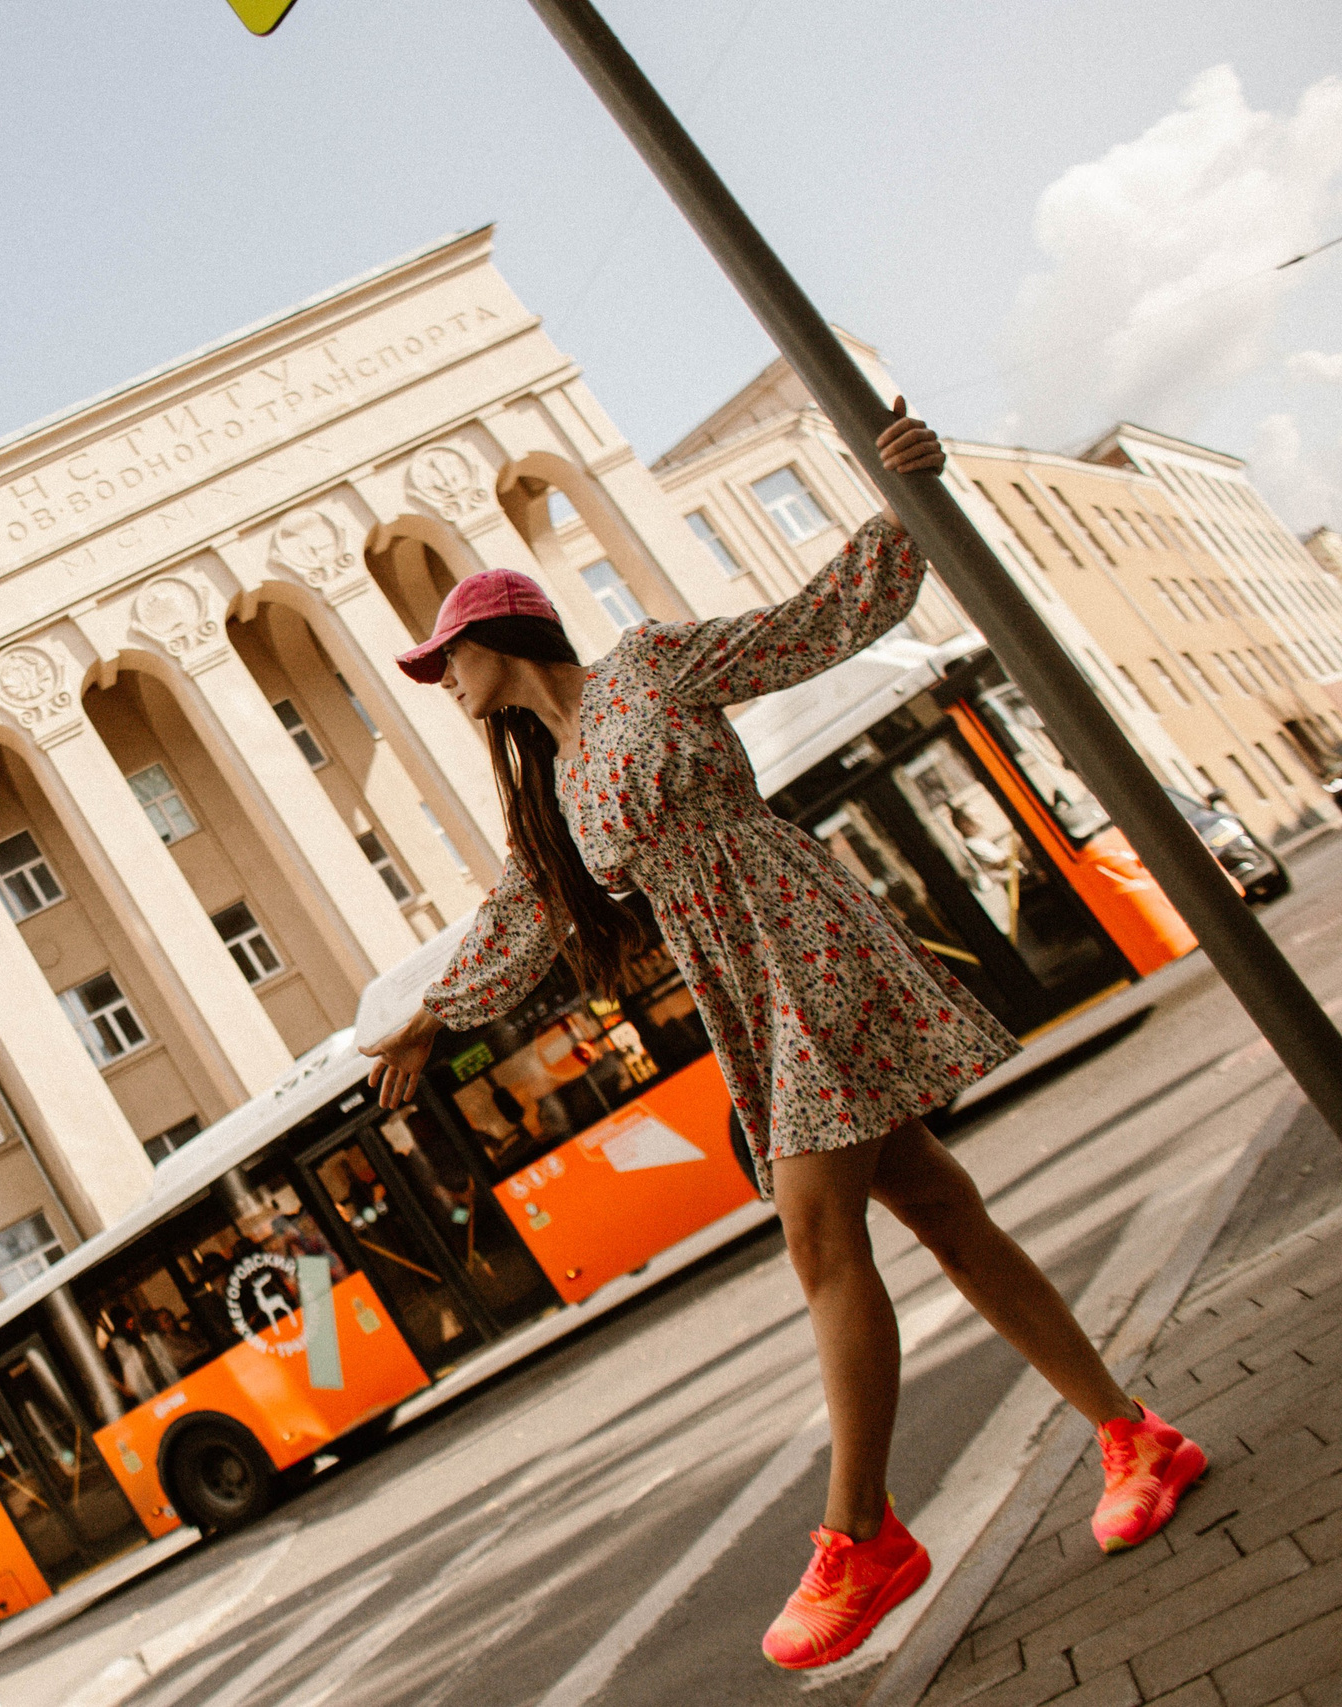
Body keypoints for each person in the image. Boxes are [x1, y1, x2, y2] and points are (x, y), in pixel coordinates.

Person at [360, 402, 1208, 1672]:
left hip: (799, 937)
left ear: (496, 633)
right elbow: (530, 909)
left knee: (820, 1237)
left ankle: (859, 1536)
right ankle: (1136, 1440)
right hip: (740, 986)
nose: (445, 684)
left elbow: (810, 625)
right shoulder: (557, 775)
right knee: (946, 1217)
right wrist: (428, 1017)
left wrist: (900, 494)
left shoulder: (647, 668)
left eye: (447, 661)